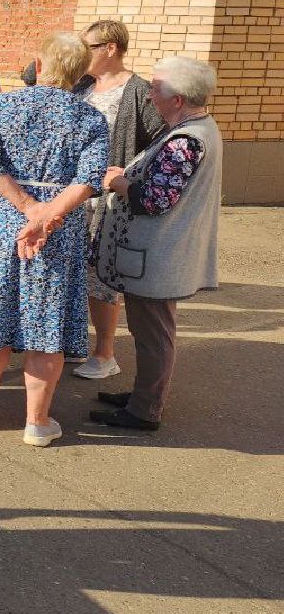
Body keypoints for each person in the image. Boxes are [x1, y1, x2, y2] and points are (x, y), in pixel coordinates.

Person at [0, 33, 109, 448]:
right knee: (47, 322)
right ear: (79, 75)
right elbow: (88, 182)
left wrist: (26, 208)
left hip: (6, 223)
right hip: (59, 227)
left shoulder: (2, 105)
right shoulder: (90, 119)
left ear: (39, 66)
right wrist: (46, 214)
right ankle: (37, 423)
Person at [91, 56, 221, 432]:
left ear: (177, 99)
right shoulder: (195, 128)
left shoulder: (186, 140)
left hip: (157, 256)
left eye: (154, 88)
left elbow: (154, 200)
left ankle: (144, 409)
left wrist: (118, 182)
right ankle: (142, 396)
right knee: (152, 333)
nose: (148, 96)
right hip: (159, 253)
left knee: (153, 337)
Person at [71, 20, 166, 380]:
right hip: (74, 195)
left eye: (88, 48)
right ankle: (72, 342)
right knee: (71, 271)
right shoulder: (81, 84)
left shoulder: (139, 91)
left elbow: (159, 142)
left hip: (108, 202)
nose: (83, 55)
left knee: (100, 278)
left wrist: (127, 180)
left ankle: (104, 354)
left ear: (110, 48)